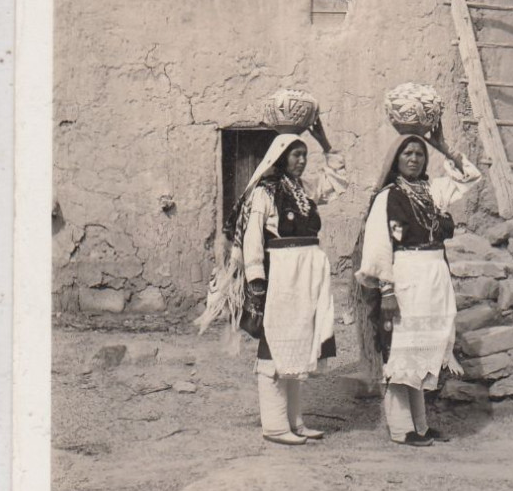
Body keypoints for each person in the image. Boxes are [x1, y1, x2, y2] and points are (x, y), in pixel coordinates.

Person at [198, 117, 347, 446]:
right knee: (276, 346)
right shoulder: (264, 193)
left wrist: (325, 143)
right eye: (295, 155)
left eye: (304, 155)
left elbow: (334, 182)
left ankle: (295, 421)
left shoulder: (305, 190)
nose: (301, 160)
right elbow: (252, 238)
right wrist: (256, 281)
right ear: (279, 157)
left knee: (299, 343)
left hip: (306, 273)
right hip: (280, 273)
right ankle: (275, 425)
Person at [354, 123, 481, 446]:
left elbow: (469, 177)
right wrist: (387, 290)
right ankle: (400, 428)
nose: (414, 159)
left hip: (435, 274)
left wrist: (444, 148)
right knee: (403, 350)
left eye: (419, 154)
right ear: (396, 159)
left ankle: (421, 426)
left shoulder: (433, 190)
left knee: (424, 347)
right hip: (405, 274)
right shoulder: (388, 197)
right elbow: (379, 245)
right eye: (407, 153)